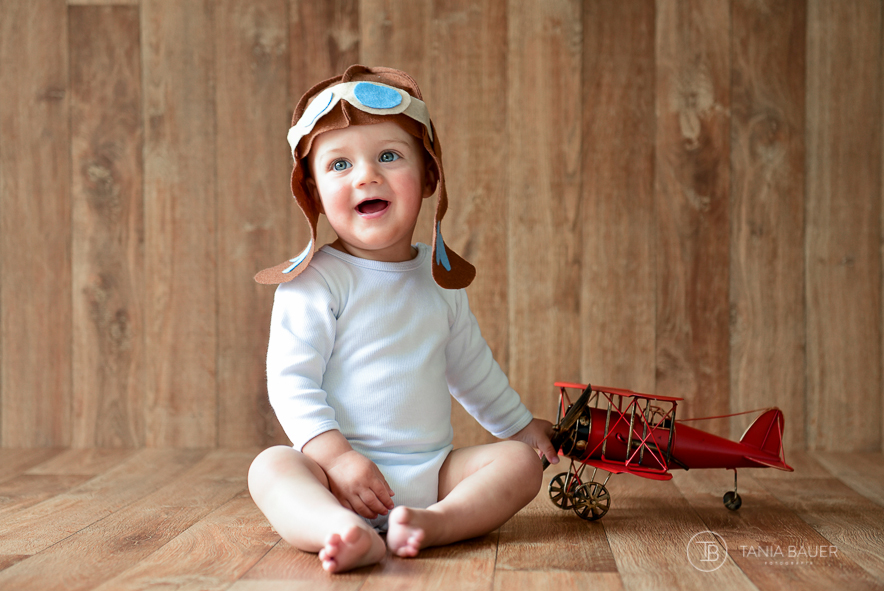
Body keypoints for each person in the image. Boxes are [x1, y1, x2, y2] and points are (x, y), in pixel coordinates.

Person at [248, 65, 558, 574]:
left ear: (429, 176)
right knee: (272, 467)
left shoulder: (438, 280)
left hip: (432, 477)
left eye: (389, 156)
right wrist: (339, 460)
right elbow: (291, 383)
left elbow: (472, 370)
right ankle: (338, 528)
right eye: (339, 164)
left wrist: (521, 429)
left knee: (520, 467)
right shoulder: (317, 282)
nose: (366, 175)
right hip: (334, 476)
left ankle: (434, 522)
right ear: (313, 192)